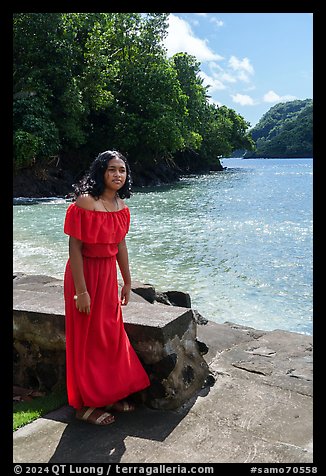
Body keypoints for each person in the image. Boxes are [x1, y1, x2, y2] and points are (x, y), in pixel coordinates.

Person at [63, 150, 150, 426]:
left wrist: (127, 281)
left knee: (109, 337)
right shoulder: (86, 202)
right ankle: (84, 405)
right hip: (85, 275)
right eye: (112, 169)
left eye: (122, 170)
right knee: (87, 339)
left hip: (107, 276)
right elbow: (74, 247)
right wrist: (81, 291)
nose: (117, 175)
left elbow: (121, 246)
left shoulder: (122, 207)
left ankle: (107, 394)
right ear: (101, 171)